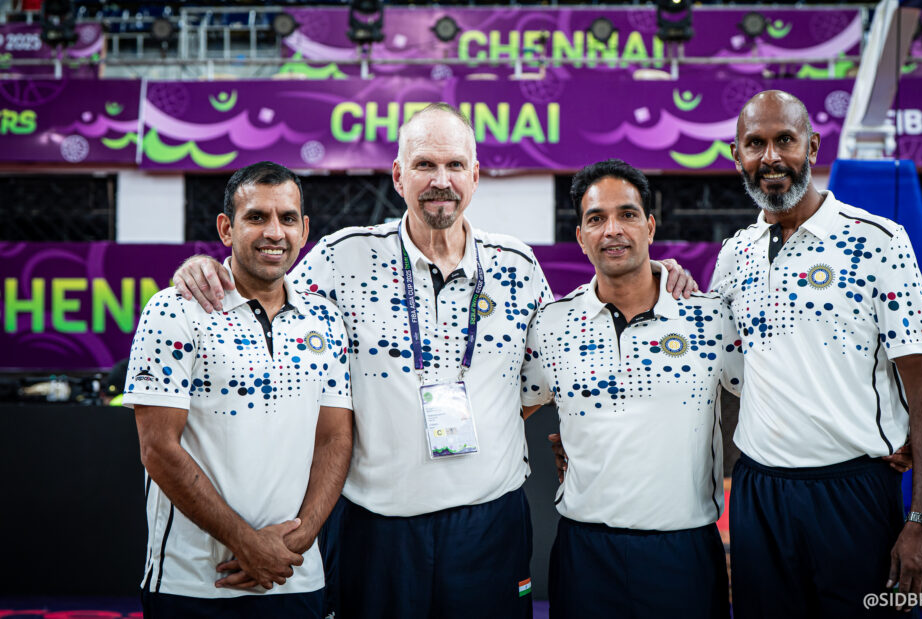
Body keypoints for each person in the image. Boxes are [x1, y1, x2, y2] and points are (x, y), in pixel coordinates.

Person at [173, 104, 696, 618]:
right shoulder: (343, 257)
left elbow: (550, 372)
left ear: (475, 175)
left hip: (491, 525)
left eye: (453, 166)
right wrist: (204, 266)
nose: (440, 180)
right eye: (424, 165)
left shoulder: (517, 264)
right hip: (377, 527)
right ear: (399, 176)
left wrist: (656, 275)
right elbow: (264, 284)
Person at [712, 90, 922, 617]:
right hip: (757, 492)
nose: (770, 157)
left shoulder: (880, 242)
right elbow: (719, 367)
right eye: (755, 144)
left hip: (853, 495)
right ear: (737, 155)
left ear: (812, 146)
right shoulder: (734, 255)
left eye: (784, 141)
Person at [125, 162, 354, 618]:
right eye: (257, 217)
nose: (275, 232)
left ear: (304, 230)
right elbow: (157, 448)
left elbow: (334, 439)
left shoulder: (325, 320)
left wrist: (299, 539)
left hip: (295, 576)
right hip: (191, 582)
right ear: (226, 229)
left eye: (287, 218)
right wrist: (246, 544)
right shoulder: (176, 309)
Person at [521, 160, 742, 618]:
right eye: (596, 219)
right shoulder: (551, 324)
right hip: (584, 553)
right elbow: (508, 411)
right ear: (581, 237)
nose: (613, 230)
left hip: (683, 552)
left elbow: (770, 397)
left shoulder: (709, 316)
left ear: (650, 226)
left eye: (627, 214)